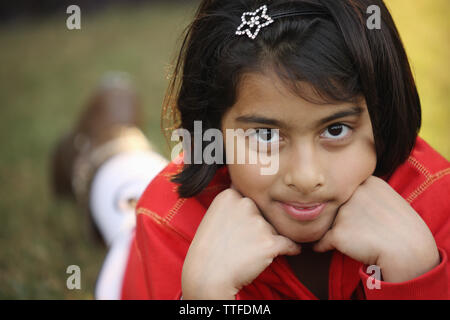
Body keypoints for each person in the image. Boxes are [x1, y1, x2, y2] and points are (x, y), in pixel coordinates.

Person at [54, 0, 450, 300]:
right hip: (138, 247)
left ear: (382, 117)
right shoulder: (169, 223)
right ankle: (106, 143)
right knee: (125, 191)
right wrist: (203, 296)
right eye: (264, 135)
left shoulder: (433, 196)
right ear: (215, 131)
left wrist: (418, 272)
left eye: (335, 129)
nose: (306, 176)